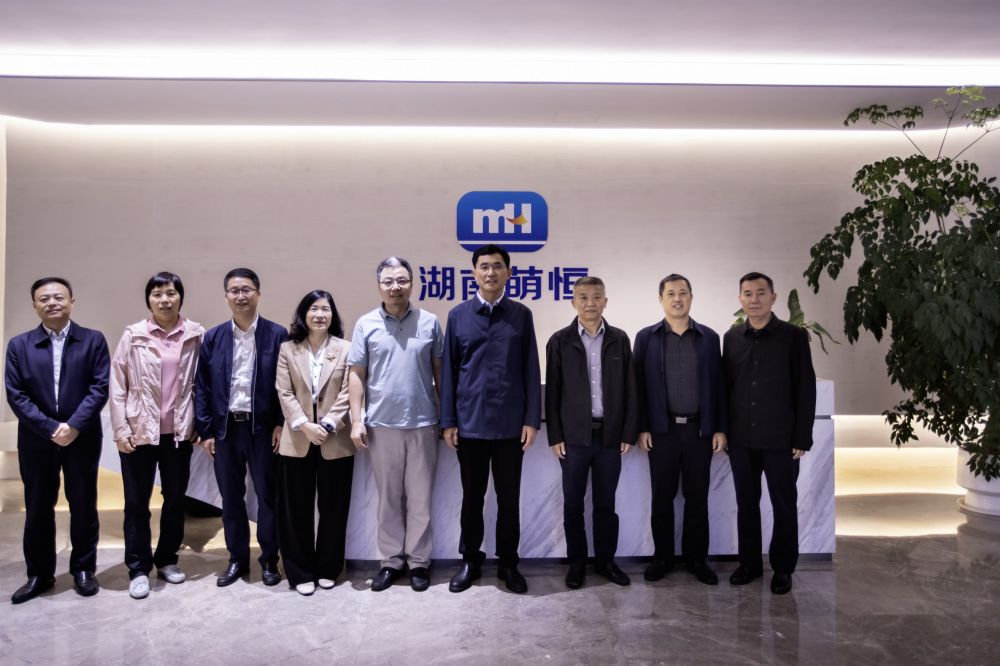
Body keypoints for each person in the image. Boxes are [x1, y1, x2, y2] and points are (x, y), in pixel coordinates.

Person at [440, 243, 541, 594]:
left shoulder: (521, 315)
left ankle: (508, 563)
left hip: (511, 426)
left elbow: (531, 369)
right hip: (470, 425)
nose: (491, 272)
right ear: (474, 273)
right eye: (484, 266)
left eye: (497, 266)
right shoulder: (458, 315)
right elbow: (449, 372)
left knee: (509, 498)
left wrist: (532, 419)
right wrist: (448, 421)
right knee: (472, 497)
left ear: (508, 273)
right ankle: (471, 560)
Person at [5, 277, 110, 604]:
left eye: (59, 297)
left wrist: (74, 425)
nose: (52, 303)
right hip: (37, 440)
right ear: (35, 305)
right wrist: (51, 428)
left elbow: (99, 387)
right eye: (44, 298)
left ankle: (83, 569)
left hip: (83, 437)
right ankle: (39, 573)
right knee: (38, 506)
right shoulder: (19, 345)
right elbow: (16, 394)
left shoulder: (92, 340)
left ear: (71, 302)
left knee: (83, 504)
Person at [348, 257, 444, 593]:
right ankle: (391, 562)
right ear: (379, 286)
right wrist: (356, 420)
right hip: (381, 425)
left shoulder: (430, 322)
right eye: (388, 281)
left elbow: (440, 374)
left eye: (402, 280)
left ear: (412, 284)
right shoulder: (366, 324)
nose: (395, 287)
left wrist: (447, 419)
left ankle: (419, 563)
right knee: (388, 499)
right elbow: (357, 374)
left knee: (420, 500)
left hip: (424, 423)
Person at [109, 272, 205, 599]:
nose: (164, 299)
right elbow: (118, 385)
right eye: (157, 294)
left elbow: (204, 384)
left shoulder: (195, 335)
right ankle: (138, 567)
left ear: (180, 297)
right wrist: (121, 429)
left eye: (170, 293)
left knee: (175, 500)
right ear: (149, 299)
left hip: (178, 434)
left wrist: (200, 424)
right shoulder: (134, 335)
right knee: (136, 502)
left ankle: (167, 559)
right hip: (139, 432)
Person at [723, 272, 816, 595]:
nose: (755, 299)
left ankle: (783, 568)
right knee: (746, 504)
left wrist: (802, 437)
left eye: (761, 293)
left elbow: (805, 388)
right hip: (741, 440)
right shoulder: (731, 338)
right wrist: (724, 432)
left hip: (781, 441)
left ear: (773, 297)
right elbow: (725, 388)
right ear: (740, 299)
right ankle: (748, 564)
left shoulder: (793, 337)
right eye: (748, 293)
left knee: (784, 505)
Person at [195, 267, 288, 587]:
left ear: (258, 294)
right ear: (226, 297)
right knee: (231, 499)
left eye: (247, 289)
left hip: (263, 430)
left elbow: (286, 384)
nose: (241, 296)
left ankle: (269, 560)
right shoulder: (213, 337)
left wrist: (281, 423)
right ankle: (237, 559)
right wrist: (206, 430)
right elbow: (202, 387)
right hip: (226, 431)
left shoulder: (277, 335)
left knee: (268, 497)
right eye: (234, 290)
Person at [545, 276, 638, 589]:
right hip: (573, 440)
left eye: (596, 297)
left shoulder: (619, 339)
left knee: (605, 504)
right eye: (583, 297)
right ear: (573, 302)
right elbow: (553, 392)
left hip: (610, 438)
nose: (590, 303)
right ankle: (577, 564)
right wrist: (555, 436)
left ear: (605, 302)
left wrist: (627, 432)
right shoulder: (560, 341)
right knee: (573, 504)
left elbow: (631, 389)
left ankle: (605, 561)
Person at [633, 274, 727, 586]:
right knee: (662, 497)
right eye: (671, 293)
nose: (677, 299)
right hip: (662, 432)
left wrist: (719, 428)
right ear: (661, 299)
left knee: (697, 497)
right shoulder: (646, 338)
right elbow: (637, 386)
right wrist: (642, 427)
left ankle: (696, 559)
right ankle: (662, 558)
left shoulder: (709, 338)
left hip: (699, 432)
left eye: (683, 293)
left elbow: (719, 386)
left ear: (691, 297)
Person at [274, 290, 354, 596]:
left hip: (336, 440)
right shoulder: (288, 349)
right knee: (296, 509)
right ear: (303, 314)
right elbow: (284, 391)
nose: (320, 315)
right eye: (314, 309)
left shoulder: (345, 349)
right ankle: (300, 571)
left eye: (326, 309)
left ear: (333, 315)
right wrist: (304, 425)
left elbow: (349, 391)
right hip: (297, 439)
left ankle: (329, 568)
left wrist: (329, 424)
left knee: (334, 507)